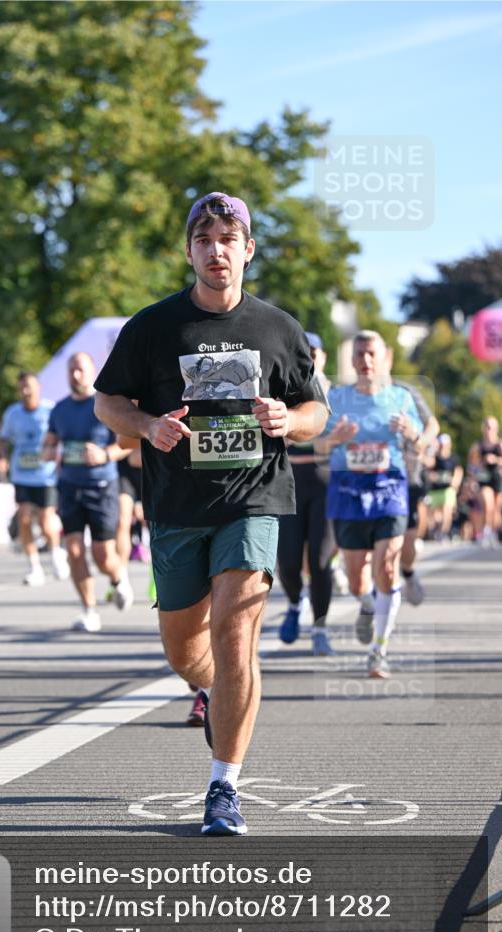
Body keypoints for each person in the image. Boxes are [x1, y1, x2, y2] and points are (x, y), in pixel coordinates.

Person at [94, 191, 328, 836]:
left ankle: (224, 785)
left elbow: (316, 411)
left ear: (248, 249)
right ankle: (207, 690)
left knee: (235, 633)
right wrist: (147, 425)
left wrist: (288, 419)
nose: (216, 250)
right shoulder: (152, 326)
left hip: (253, 500)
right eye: (204, 240)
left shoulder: (278, 329)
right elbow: (108, 402)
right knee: (185, 651)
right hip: (176, 507)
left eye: (228, 239)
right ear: (189, 251)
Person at [315, 330, 423, 679]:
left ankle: (379, 650)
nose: (366, 360)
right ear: (352, 360)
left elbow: (421, 444)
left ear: (385, 357)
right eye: (360, 354)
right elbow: (317, 447)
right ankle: (365, 603)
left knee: (387, 568)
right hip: (348, 492)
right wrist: (334, 439)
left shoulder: (401, 398)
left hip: (390, 489)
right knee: (357, 578)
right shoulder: (337, 398)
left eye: (372, 353)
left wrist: (411, 433)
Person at [43, 351, 134, 632]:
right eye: (72, 369)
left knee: (102, 554)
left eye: (81, 369)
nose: (76, 374)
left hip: (101, 486)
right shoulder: (59, 409)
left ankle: (118, 578)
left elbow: (127, 444)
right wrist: (48, 451)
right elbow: (49, 443)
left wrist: (104, 454)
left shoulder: (105, 406)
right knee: (73, 550)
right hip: (69, 486)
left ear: (92, 372)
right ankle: (89, 610)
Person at [277, 332, 337, 656]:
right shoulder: (283, 389)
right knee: (287, 562)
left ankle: (320, 628)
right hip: (290, 482)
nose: (310, 357)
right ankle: (293, 603)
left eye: (314, 351)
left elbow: (348, 439)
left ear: (323, 356)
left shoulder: (337, 394)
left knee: (320, 561)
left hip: (326, 484)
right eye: (305, 351)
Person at [0, 371, 69, 585]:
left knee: (46, 519)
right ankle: (34, 567)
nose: (26, 391)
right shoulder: (13, 413)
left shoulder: (50, 410)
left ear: (39, 388)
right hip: (22, 474)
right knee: (24, 518)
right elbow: (2, 439)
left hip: (46, 475)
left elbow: (62, 435)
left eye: (29, 386)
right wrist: (3, 457)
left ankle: (56, 553)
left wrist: (55, 454)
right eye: (22, 387)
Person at [387, 360, 439, 605]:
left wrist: (418, 440)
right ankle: (379, 600)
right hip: (369, 479)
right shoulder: (353, 396)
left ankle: (408, 573)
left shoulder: (406, 392)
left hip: (407, 478)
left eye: (373, 355)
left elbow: (433, 425)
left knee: (406, 545)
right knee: (379, 547)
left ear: (386, 360)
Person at [467, 416, 502, 547]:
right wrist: (477, 470)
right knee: (488, 504)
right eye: (487, 427)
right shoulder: (477, 446)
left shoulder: (501, 444)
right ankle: (486, 530)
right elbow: (471, 466)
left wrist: (495, 460)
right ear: (483, 428)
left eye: (492, 427)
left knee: (496, 509)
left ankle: (494, 532)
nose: (489, 430)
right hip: (484, 479)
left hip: (498, 479)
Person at [426, 433, 464, 540]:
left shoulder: (453, 458)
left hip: (448, 489)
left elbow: (458, 471)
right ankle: (435, 531)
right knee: (434, 514)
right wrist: (433, 476)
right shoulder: (434, 458)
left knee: (447, 509)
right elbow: (429, 472)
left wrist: (456, 481)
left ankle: (443, 533)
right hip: (435, 490)